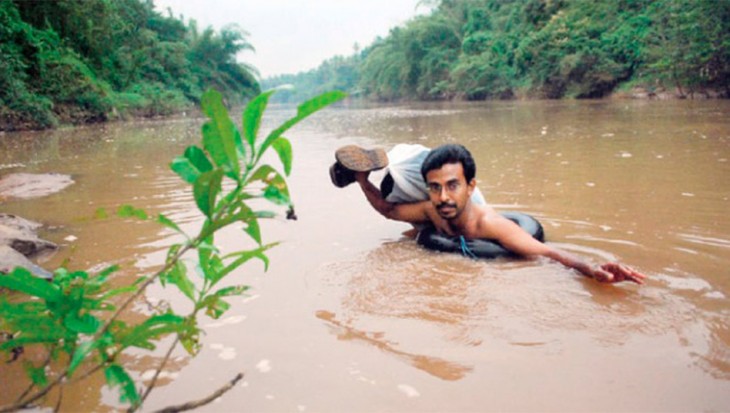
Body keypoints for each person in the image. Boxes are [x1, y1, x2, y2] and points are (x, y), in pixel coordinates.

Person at [336, 143, 646, 285]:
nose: (443, 197)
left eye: (452, 186)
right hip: (437, 233)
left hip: (474, 236)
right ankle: (380, 167)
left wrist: (591, 270)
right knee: (410, 232)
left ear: (470, 187)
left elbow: (547, 253)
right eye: (434, 187)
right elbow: (389, 210)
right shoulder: (432, 208)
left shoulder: (488, 224)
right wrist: (363, 182)